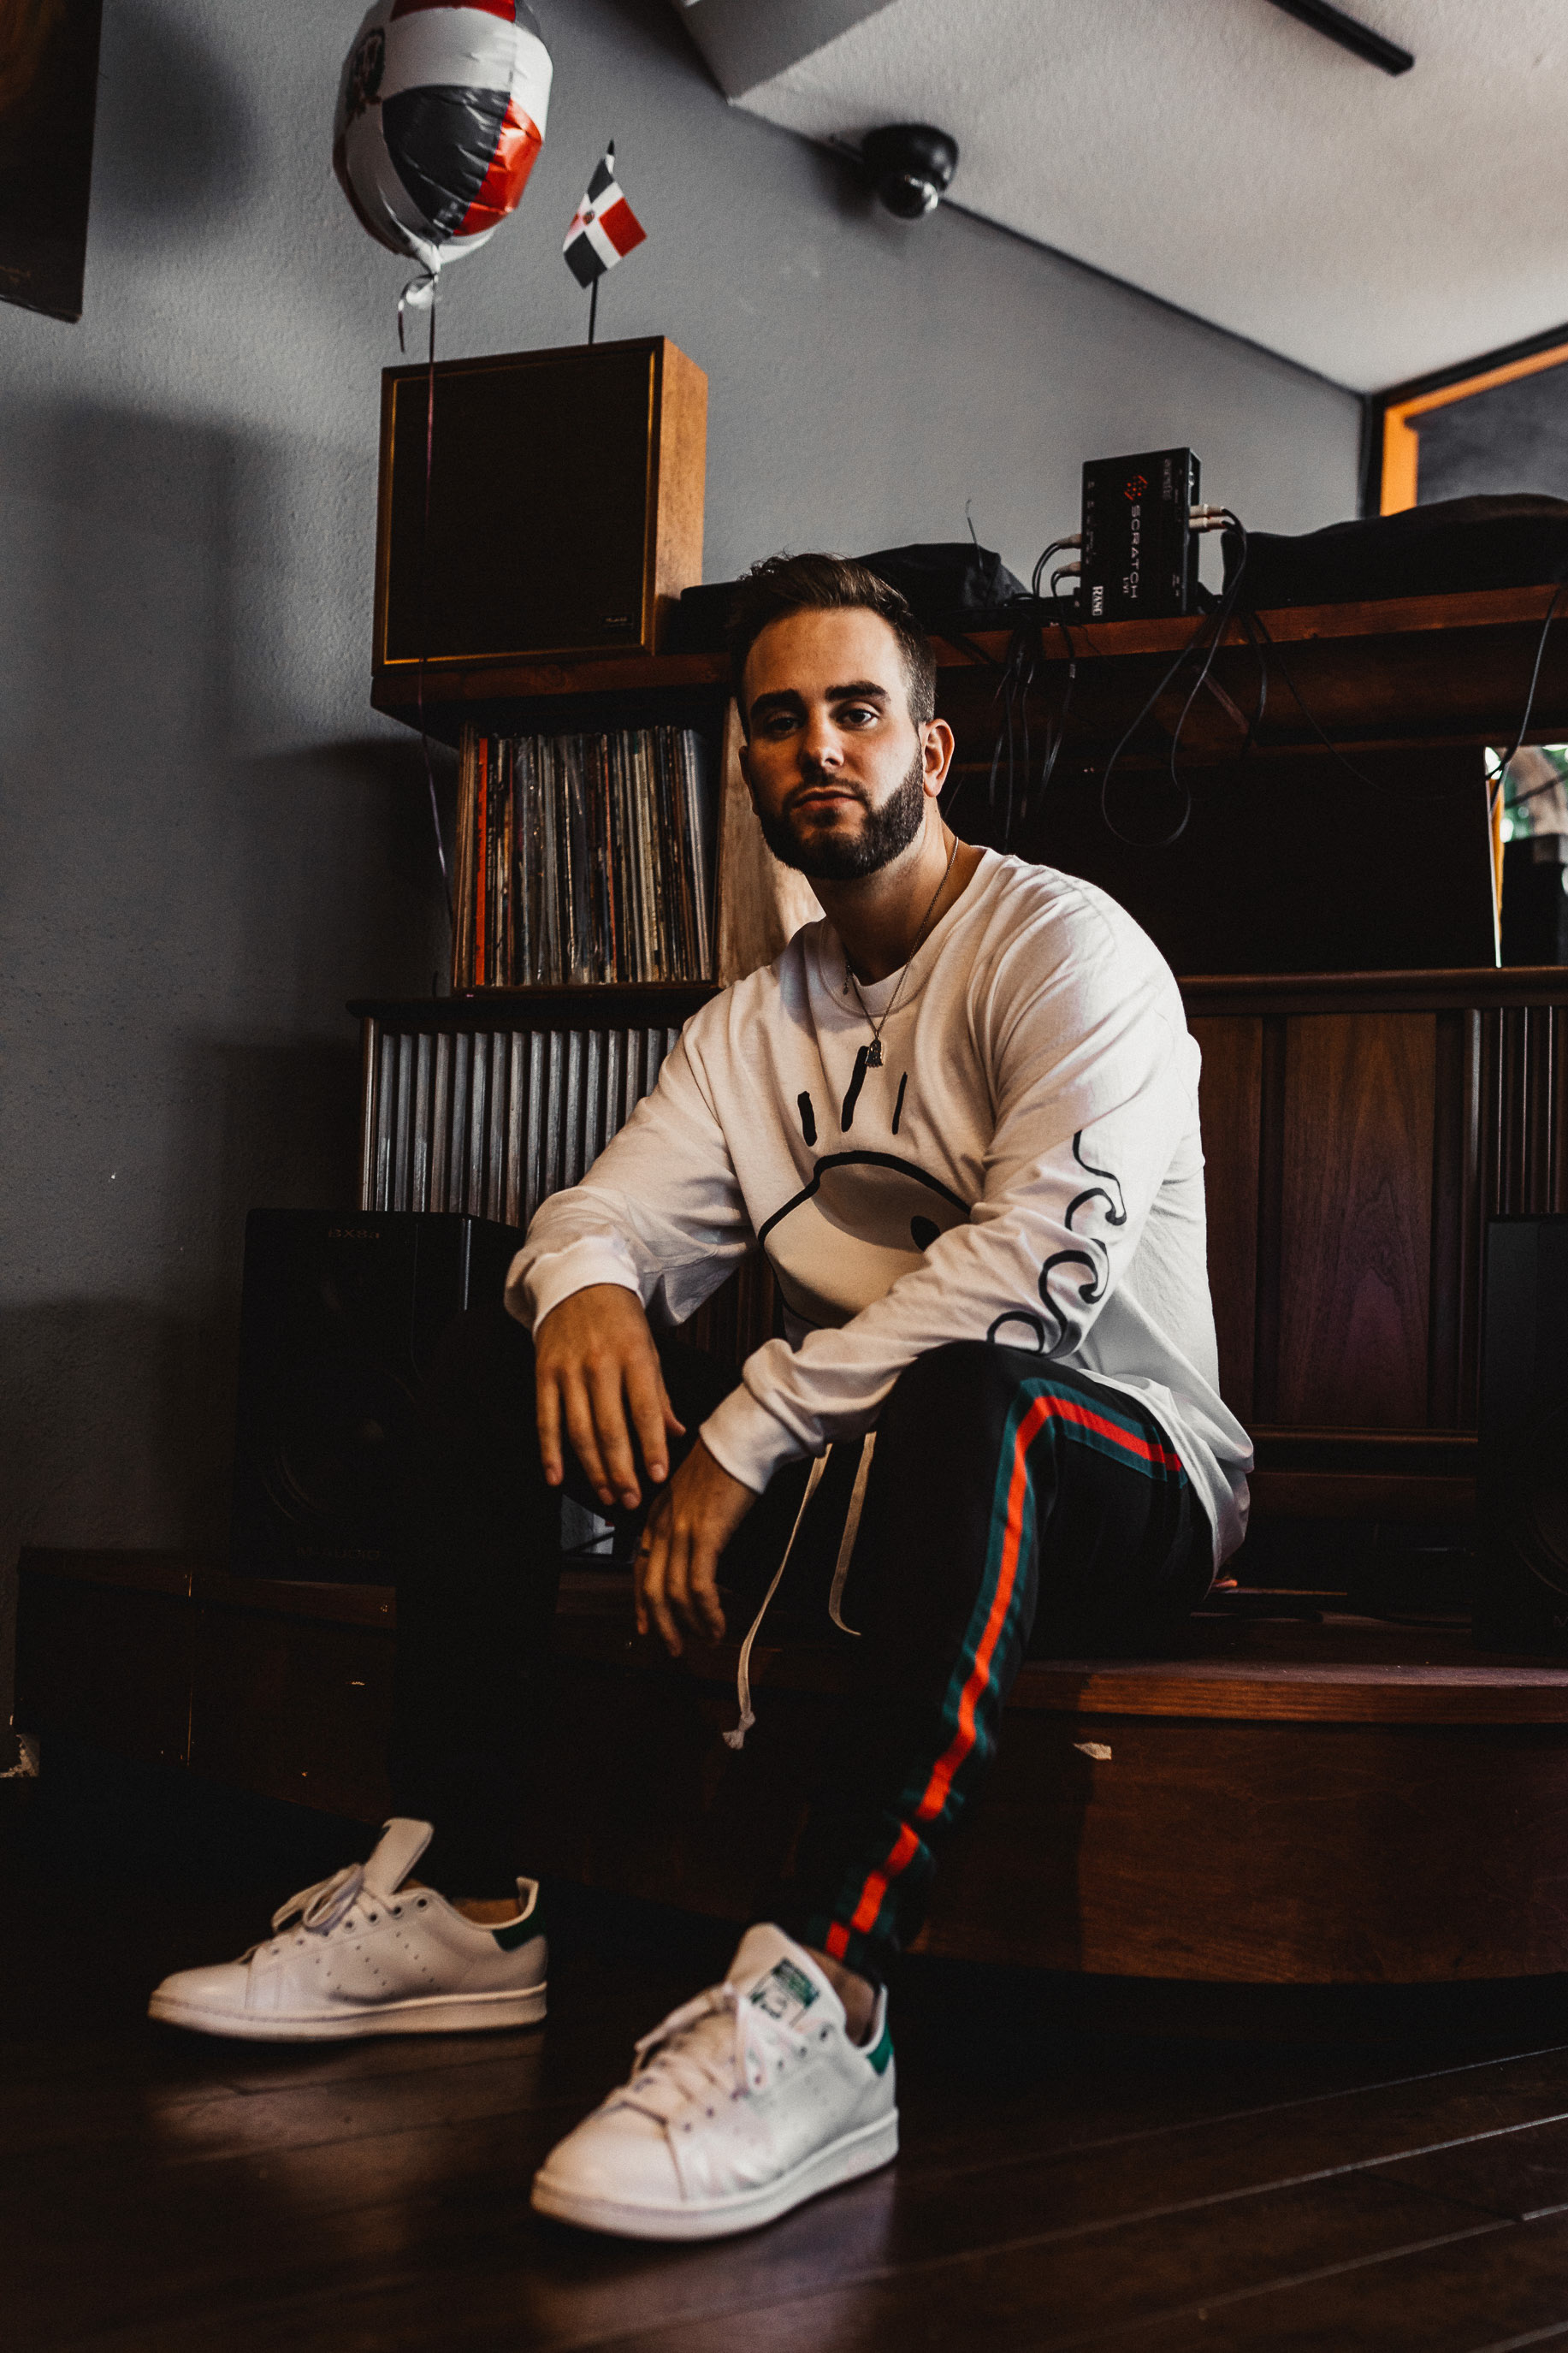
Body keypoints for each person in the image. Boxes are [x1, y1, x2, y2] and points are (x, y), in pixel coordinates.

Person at [149, 554, 1251, 2242]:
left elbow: (1039, 1274)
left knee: (982, 1395)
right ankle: (466, 1901)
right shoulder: (752, 1025)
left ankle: (829, 1995)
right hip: (865, 1477)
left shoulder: (1064, 948)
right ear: (746, 763)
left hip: (1116, 1467)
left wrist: (749, 1422)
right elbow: (595, 1213)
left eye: (857, 711)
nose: (819, 747)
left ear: (930, 750)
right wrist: (588, 1286)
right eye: (779, 720)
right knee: (499, 1346)